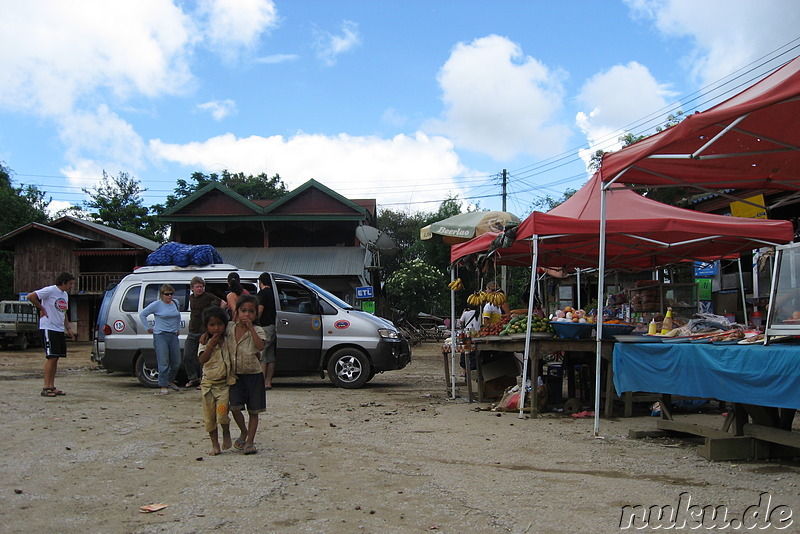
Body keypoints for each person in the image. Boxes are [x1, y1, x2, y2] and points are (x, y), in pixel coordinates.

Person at [227, 294, 266, 455]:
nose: (247, 315)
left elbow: (260, 346)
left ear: (256, 314)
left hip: (253, 375)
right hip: (235, 375)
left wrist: (251, 328)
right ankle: (244, 431)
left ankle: (250, 442)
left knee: (254, 411)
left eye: (251, 312)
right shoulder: (229, 328)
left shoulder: (257, 330)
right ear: (236, 311)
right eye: (243, 311)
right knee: (235, 408)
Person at [27, 272, 77, 397]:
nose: (71, 286)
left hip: (59, 328)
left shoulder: (65, 295)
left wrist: (68, 328)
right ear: (63, 282)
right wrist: (41, 308)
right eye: (70, 283)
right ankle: (46, 387)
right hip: (49, 327)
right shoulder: (50, 290)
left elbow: (63, 311)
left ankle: (52, 385)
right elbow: (31, 296)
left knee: (56, 358)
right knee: (51, 357)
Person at [197, 306, 235, 456]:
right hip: (208, 386)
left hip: (223, 386)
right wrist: (210, 344)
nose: (216, 328)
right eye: (212, 325)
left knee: (222, 414)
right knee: (209, 418)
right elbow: (202, 359)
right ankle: (215, 444)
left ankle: (226, 433)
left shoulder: (227, 340)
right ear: (206, 327)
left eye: (219, 324)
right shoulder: (205, 341)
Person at [139, 284, 182, 395]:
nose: (169, 296)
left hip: (173, 335)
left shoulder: (175, 303)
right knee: (163, 362)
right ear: (161, 295)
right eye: (167, 294)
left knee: (176, 362)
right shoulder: (156, 305)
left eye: (171, 294)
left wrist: (177, 329)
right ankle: (163, 385)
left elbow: (178, 316)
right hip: (160, 335)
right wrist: (147, 328)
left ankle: (170, 380)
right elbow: (143, 314)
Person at [184, 276, 222, 388]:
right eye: (197, 287)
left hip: (203, 332)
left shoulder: (208, 297)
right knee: (187, 356)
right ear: (192, 288)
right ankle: (193, 378)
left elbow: (223, 303)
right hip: (192, 330)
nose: (200, 289)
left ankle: (203, 380)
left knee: (203, 357)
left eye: (201, 286)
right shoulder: (191, 297)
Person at [256, 272, 277, 390]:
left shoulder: (262, 294)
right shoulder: (274, 293)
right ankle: (268, 382)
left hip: (264, 327)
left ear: (261, 282)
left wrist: (255, 322)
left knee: (262, 355)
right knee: (270, 356)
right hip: (272, 327)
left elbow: (260, 310)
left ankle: (261, 382)